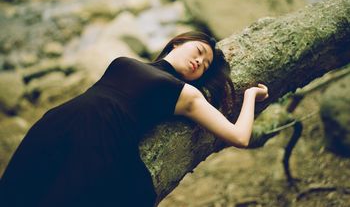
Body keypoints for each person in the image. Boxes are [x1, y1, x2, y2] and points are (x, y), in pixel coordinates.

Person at [0, 31, 268, 207]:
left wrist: (250, 96)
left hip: (98, 141)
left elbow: (239, 136)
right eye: (199, 51)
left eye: (206, 65)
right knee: (17, 191)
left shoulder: (187, 94)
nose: (200, 61)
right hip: (58, 125)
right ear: (178, 42)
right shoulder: (137, 63)